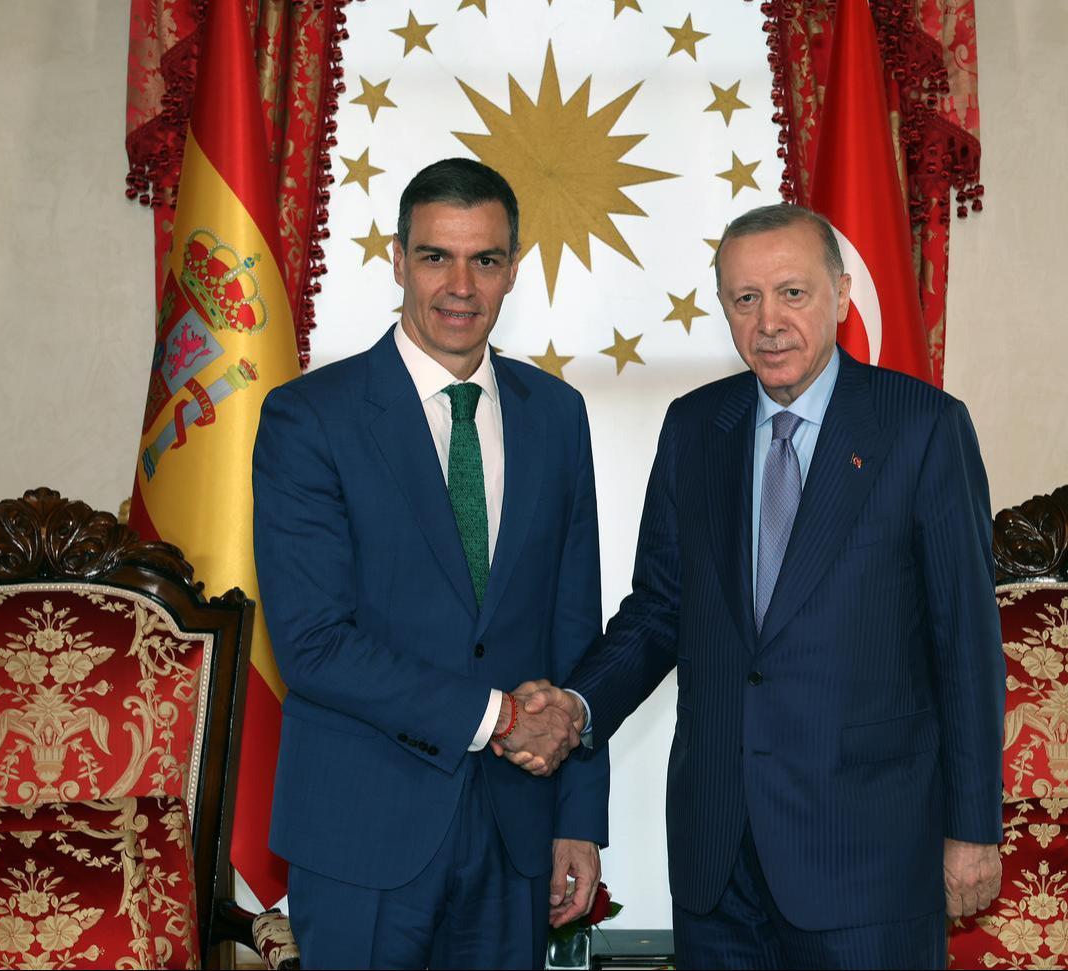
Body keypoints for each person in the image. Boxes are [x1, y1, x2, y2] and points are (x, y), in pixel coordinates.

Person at [516, 203, 1004, 969]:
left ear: (842, 295)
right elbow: (659, 610)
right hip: (719, 854)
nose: (769, 321)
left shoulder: (921, 427)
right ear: (725, 310)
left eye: (792, 293)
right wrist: (577, 706)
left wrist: (974, 828)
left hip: (866, 857)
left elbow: (967, 645)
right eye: (746, 299)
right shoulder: (694, 427)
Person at [252, 157, 608, 970]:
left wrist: (579, 816)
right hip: (360, 832)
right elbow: (312, 644)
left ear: (514, 269)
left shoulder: (556, 413)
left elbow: (572, 627)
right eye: (435, 256)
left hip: (519, 833)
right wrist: (501, 717)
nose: (460, 285)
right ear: (397, 259)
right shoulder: (309, 417)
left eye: (485, 259)